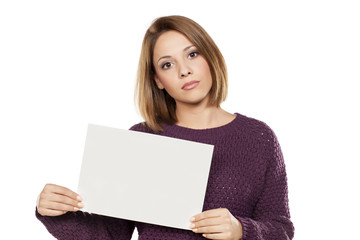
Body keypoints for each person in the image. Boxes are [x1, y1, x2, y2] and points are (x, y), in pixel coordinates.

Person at [36, 15, 295, 239]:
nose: (184, 70)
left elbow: (281, 229)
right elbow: (112, 234)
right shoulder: (142, 138)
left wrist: (241, 230)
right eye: (167, 64)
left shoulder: (258, 138)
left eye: (192, 54)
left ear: (210, 56)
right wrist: (54, 213)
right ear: (158, 80)